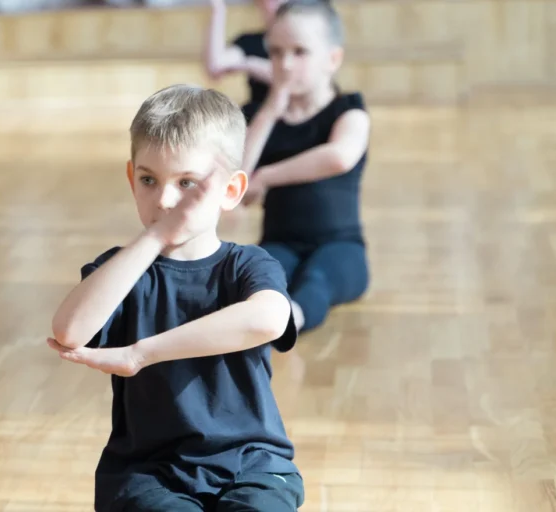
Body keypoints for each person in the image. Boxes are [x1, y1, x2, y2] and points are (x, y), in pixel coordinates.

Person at [47, 84, 304, 512]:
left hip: (254, 466)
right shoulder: (120, 270)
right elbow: (69, 331)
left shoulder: (249, 266)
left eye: (187, 183)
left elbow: (270, 319)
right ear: (131, 179)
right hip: (147, 474)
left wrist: (141, 353)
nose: (165, 200)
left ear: (231, 190)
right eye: (149, 180)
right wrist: (155, 237)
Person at [240, 0, 371, 333]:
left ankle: (289, 323)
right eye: (276, 52)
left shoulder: (348, 111)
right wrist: (270, 110)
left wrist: (268, 175)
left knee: (317, 279)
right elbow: (238, 185)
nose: (285, 64)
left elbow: (339, 156)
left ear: (333, 58)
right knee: (257, 280)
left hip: (340, 247)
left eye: (300, 52)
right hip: (279, 243)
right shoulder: (257, 117)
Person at [204, 0, 286, 110]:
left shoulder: (306, 41)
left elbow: (288, 78)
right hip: (257, 114)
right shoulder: (250, 41)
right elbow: (216, 65)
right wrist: (218, 10)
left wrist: (249, 63)